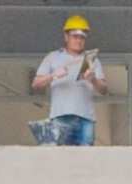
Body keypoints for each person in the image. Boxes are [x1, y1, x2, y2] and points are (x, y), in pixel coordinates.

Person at [32, 14, 108, 146]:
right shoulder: (53, 57)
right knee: (60, 159)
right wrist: (53, 75)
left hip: (86, 118)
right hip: (60, 116)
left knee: (86, 159)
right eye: (75, 36)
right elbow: (36, 85)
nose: (79, 40)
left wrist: (93, 79)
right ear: (66, 37)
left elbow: (104, 90)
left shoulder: (92, 60)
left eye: (82, 37)